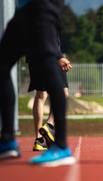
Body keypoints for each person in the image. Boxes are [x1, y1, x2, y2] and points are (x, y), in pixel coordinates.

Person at [0, 0, 75, 166]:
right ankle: (7, 141)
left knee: (50, 65)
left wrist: (59, 54)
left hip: (43, 7)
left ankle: (61, 145)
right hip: (24, 10)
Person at [29, 56, 71, 151]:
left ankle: (39, 140)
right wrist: (59, 56)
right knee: (63, 93)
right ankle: (49, 125)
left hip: (34, 57)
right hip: (51, 56)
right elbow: (51, 40)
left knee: (40, 95)